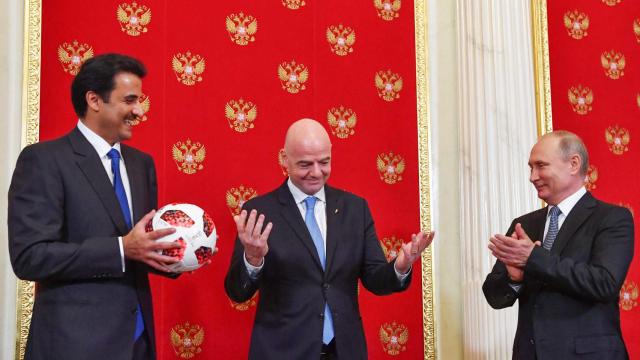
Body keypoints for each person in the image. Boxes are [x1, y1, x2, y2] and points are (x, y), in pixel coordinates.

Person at [8, 53, 183, 360]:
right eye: (129, 100)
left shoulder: (142, 165)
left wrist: (182, 250)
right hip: (73, 346)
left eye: (139, 100)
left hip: (137, 343)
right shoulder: (45, 160)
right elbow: (29, 257)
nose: (139, 111)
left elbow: (142, 249)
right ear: (94, 100)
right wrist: (119, 249)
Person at [224, 118, 434, 359]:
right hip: (282, 351)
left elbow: (375, 279)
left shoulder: (356, 209)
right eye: (305, 164)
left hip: (344, 351)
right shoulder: (259, 212)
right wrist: (252, 259)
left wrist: (400, 266)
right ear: (284, 159)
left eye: (324, 162)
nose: (316, 172)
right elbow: (237, 293)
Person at [483, 130, 634, 359]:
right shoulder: (524, 224)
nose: (533, 176)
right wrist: (514, 279)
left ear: (573, 164)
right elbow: (494, 297)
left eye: (541, 165)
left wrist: (533, 258)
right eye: (530, 167)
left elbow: (604, 283)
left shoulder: (612, 218)